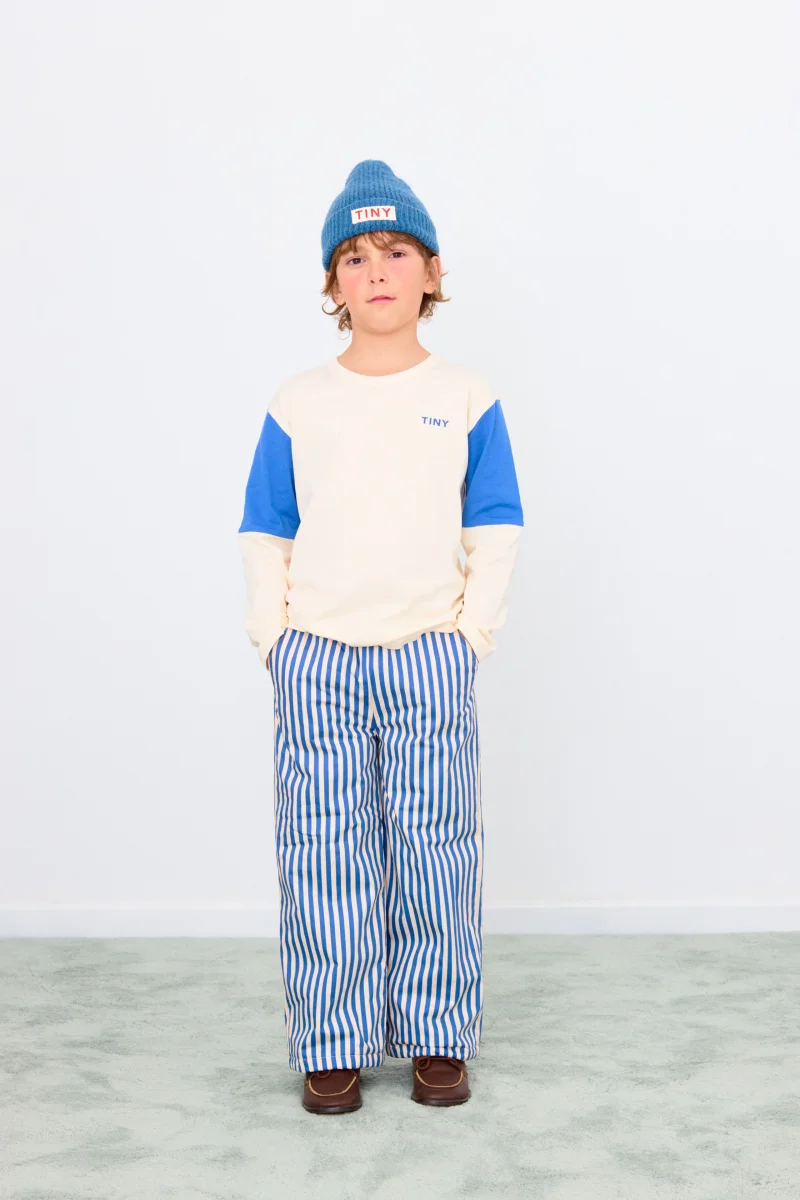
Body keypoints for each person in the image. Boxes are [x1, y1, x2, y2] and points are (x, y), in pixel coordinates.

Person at [237, 159, 524, 1114]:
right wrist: (274, 638)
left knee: (437, 846)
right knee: (323, 849)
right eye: (354, 257)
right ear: (333, 284)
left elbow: (495, 523)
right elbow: (266, 527)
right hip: (317, 657)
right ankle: (333, 1039)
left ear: (432, 272)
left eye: (397, 251)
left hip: (428, 654)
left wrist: (469, 637)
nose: (377, 271)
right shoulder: (298, 400)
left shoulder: (467, 395)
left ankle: (438, 1035)